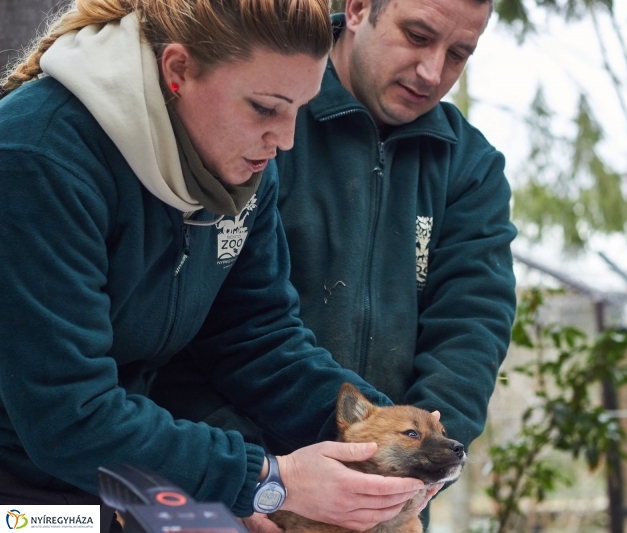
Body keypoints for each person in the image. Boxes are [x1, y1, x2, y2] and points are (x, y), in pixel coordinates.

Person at [0, 1, 426, 532]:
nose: (286, 140)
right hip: (24, 501)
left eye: (299, 108)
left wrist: (388, 440)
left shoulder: (239, 170)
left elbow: (254, 337)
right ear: (178, 70)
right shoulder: (38, 159)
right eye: (266, 107)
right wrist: (269, 480)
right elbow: (69, 415)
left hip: (121, 486)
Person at [151, 0, 518, 528]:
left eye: (459, 53)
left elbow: (472, 330)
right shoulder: (267, 119)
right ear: (358, 8)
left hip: (379, 499)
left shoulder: (469, 166)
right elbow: (222, 322)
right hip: (235, 481)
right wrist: (253, 480)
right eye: (417, 35)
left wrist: (412, 477)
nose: (432, 71)